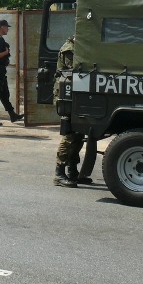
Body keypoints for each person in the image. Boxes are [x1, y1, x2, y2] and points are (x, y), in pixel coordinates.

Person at [53, 35, 83, 187]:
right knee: (69, 135)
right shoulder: (69, 49)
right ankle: (59, 173)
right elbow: (74, 70)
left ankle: (73, 171)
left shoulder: (76, 46)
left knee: (78, 134)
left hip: (76, 94)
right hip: (67, 95)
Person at [0, 19, 24, 126]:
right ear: (2, 27)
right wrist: (6, 52)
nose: (7, 29)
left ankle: (12, 115)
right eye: (7, 27)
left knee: (4, 93)